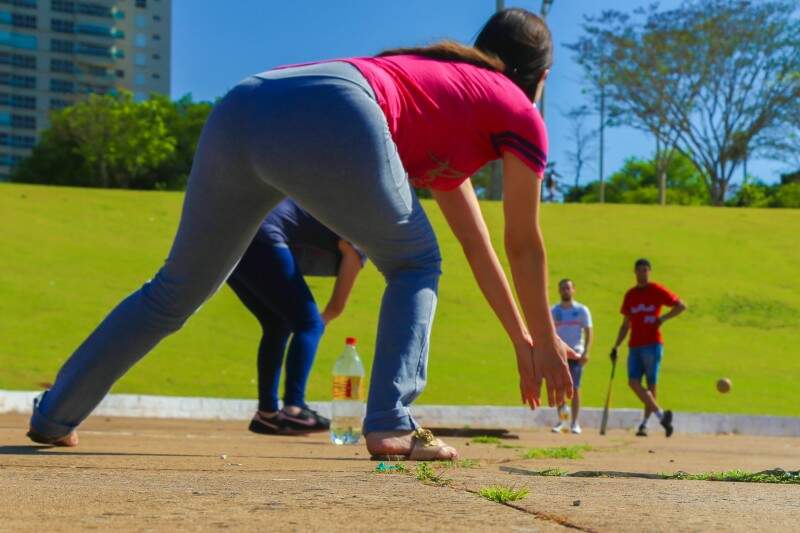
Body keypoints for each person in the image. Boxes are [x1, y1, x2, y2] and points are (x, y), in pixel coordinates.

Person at [27, 8, 575, 460]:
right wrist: (549, 340)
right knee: (413, 264)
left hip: (243, 106)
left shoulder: (446, 89)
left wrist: (526, 341)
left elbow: (479, 249)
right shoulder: (517, 110)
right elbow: (520, 243)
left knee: (175, 291)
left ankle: (56, 413)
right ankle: (391, 423)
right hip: (337, 108)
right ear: (541, 79)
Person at [227, 199, 366, 435]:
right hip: (261, 235)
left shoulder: (351, 201)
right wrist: (324, 319)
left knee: (277, 324)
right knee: (308, 323)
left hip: (229, 236)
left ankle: (268, 415)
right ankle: (294, 408)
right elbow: (336, 304)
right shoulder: (370, 225)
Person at [610, 259, 686, 437]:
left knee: (651, 386)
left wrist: (662, 319)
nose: (642, 274)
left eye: (645, 270)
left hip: (653, 344)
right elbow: (625, 324)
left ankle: (644, 425)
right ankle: (661, 416)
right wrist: (616, 345)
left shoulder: (656, 290)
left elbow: (681, 306)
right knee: (633, 382)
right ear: (635, 273)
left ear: (649, 272)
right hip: (634, 345)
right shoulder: (630, 295)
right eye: (639, 271)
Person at [550, 279, 592, 434]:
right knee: (559, 388)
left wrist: (586, 351)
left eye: (568, 288)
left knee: (574, 388)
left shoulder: (581, 310)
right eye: (562, 288)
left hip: (575, 354)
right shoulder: (554, 311)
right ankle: (563, 420)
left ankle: (575, 423)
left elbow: (588, 332)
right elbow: (549, 333)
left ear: (573, 290)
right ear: (559, 291)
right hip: (559, 355)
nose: (565, 290)